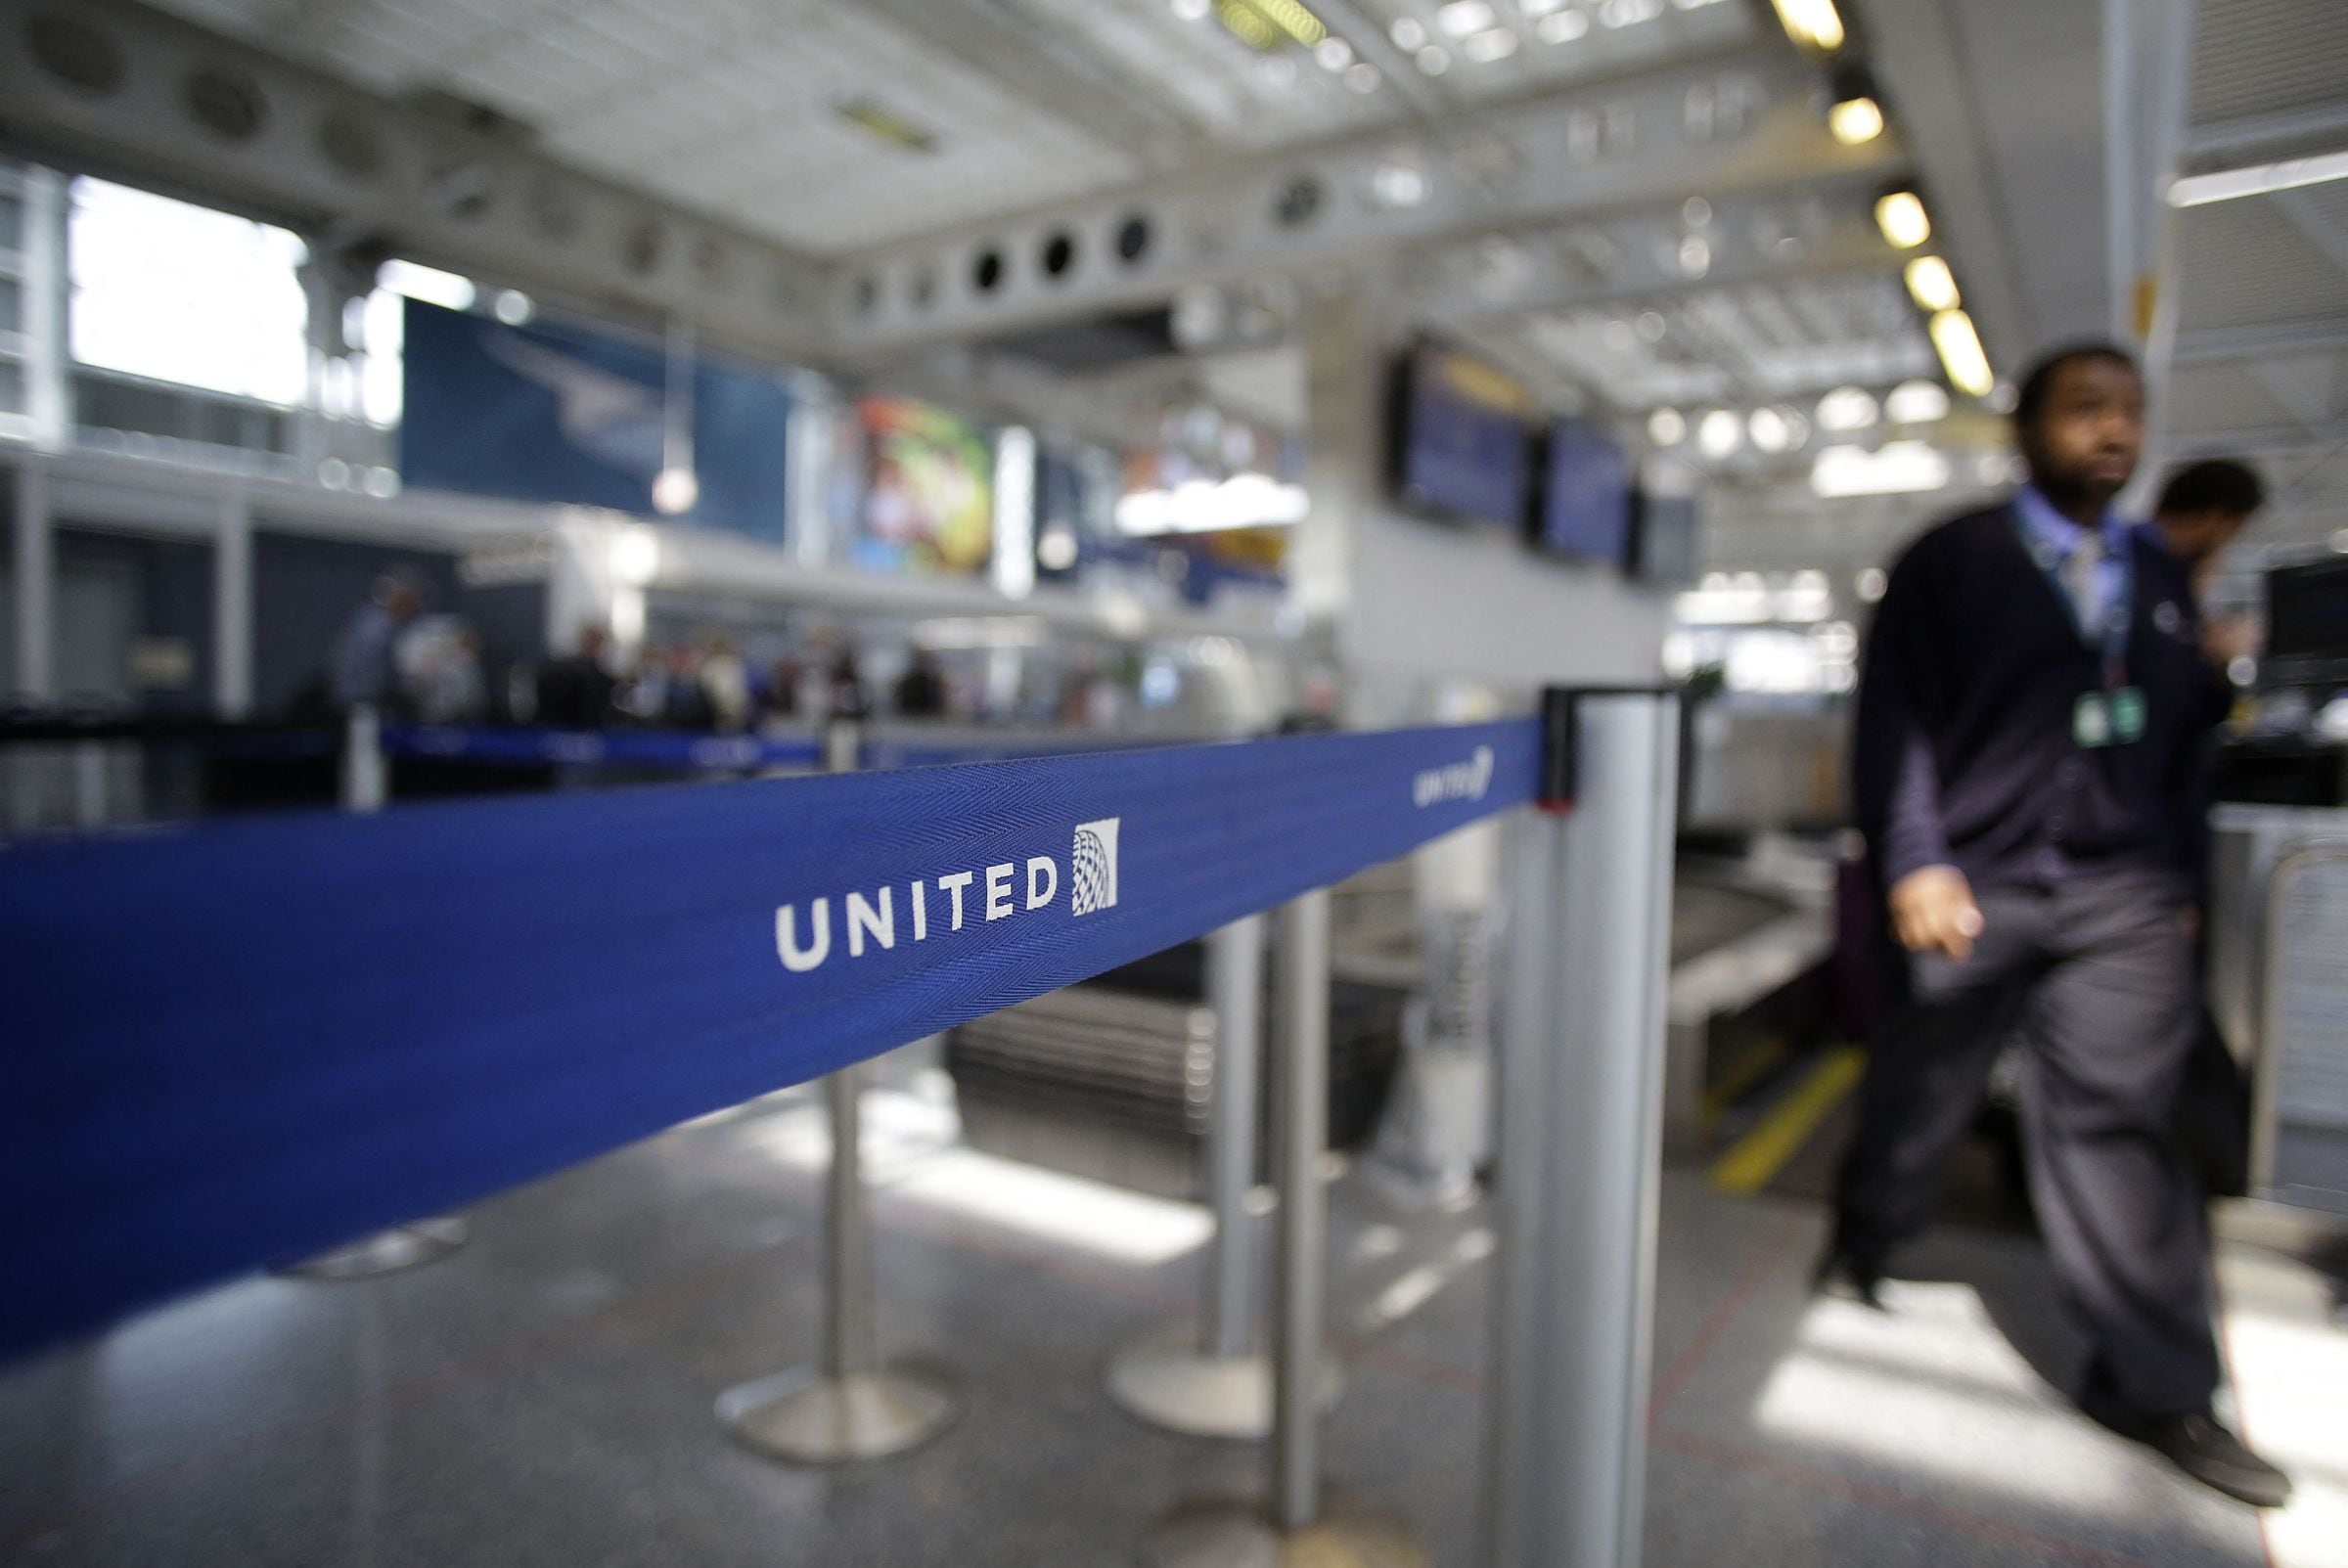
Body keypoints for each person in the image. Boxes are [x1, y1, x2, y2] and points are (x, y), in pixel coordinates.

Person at [1823, 343, 2291, 1507]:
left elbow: (2186, 745)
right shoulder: (1952, 559)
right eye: (2086, 410)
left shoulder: (2156, 570)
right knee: (1924, 1086)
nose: (2113, 433)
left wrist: (2180, 880)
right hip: (1973, 884)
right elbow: (1894, 721)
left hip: (2121, 893)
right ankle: (1868, 1231)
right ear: (2025, 429)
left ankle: (2160, 1382)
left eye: (2129, 413)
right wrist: (1916, 858)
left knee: (2117, 1129)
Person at [331, 571, 425, 713]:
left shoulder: (368, 616)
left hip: (357, 694)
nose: (415, 608)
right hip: (363, 697)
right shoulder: (378, 625)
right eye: (411, 602)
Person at [536, 626, 617, 730]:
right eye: (591, 641)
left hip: (589, 729)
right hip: (566, 726)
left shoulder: (600, 674)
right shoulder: (567, 669)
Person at [892, 646, 949, 718]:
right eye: (923, 659)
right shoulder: (907, 682)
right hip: (911, 719)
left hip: (932, 720)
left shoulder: (936, 682)